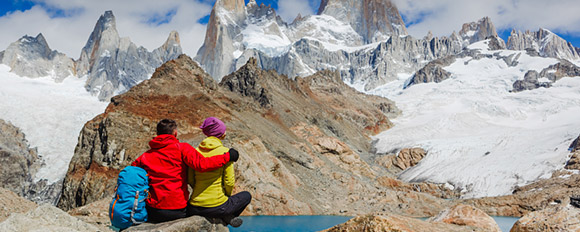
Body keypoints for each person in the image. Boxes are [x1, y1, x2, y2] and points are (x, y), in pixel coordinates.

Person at [131, 119, 239, 223]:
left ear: (158, 134)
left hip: (153, 210)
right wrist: (228, 156)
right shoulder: (182, 148)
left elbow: (132, 173)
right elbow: (203, 165)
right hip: (177, 210)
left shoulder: (145, 156)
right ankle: (227, 218)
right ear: (175, 133)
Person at [187, 117, 251, 227]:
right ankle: (227, 218)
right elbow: (229, 181)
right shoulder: (226, 153)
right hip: (217, 206)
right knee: (246, 196)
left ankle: (227, 216)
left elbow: (190, 178)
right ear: (221, 133)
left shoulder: (195, 152)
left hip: (194, 206)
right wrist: (225, 197)